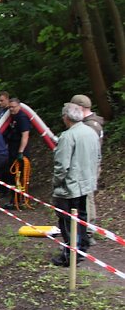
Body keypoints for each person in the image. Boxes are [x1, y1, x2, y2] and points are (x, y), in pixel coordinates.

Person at [50, 103, 101, 267]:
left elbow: (61, 165)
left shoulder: (68, 136)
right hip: (86, 183)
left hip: (70, 187)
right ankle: (81, 248)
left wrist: (56, 183)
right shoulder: (91, 133)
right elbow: (98, 157)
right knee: (81, 218)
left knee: (67, 222)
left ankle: (71, 254)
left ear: (66, 117)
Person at [71, 94, 104, 245]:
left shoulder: (92, 125)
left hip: (88, 166)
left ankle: (88, 230)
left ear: (81, 108)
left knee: (87, 196)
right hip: (87, 165)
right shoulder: (90, 123)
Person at [3, 97, 32, 209]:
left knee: (20, 177)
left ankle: (19, 200)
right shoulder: (12, 118)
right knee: (13, 176)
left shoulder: (22, 118)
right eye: (10, 107)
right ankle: (14, 199)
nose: (11, 109)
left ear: (19, 106)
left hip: (20, 152)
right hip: (12, 150)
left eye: (13, 107)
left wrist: (20, 152)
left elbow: (25, 135)